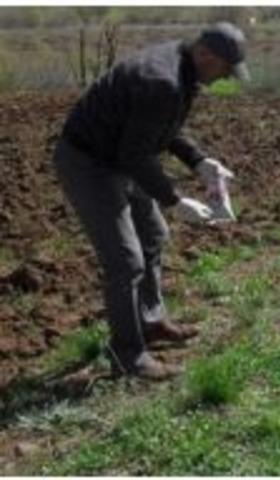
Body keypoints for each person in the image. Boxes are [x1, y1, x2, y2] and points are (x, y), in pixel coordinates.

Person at [52, 22, 250, 380]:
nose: (226, 79)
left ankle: (151, 321)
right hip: (89, 162)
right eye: (225, 70)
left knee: (153, 235)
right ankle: (128, 357)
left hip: (120, 155)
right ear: (206, 55)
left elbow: (163, 126)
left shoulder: (182, 67)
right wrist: (175, 201)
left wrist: (199, 161)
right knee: (125, 261)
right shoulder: (161, 79)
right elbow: (135, 155)